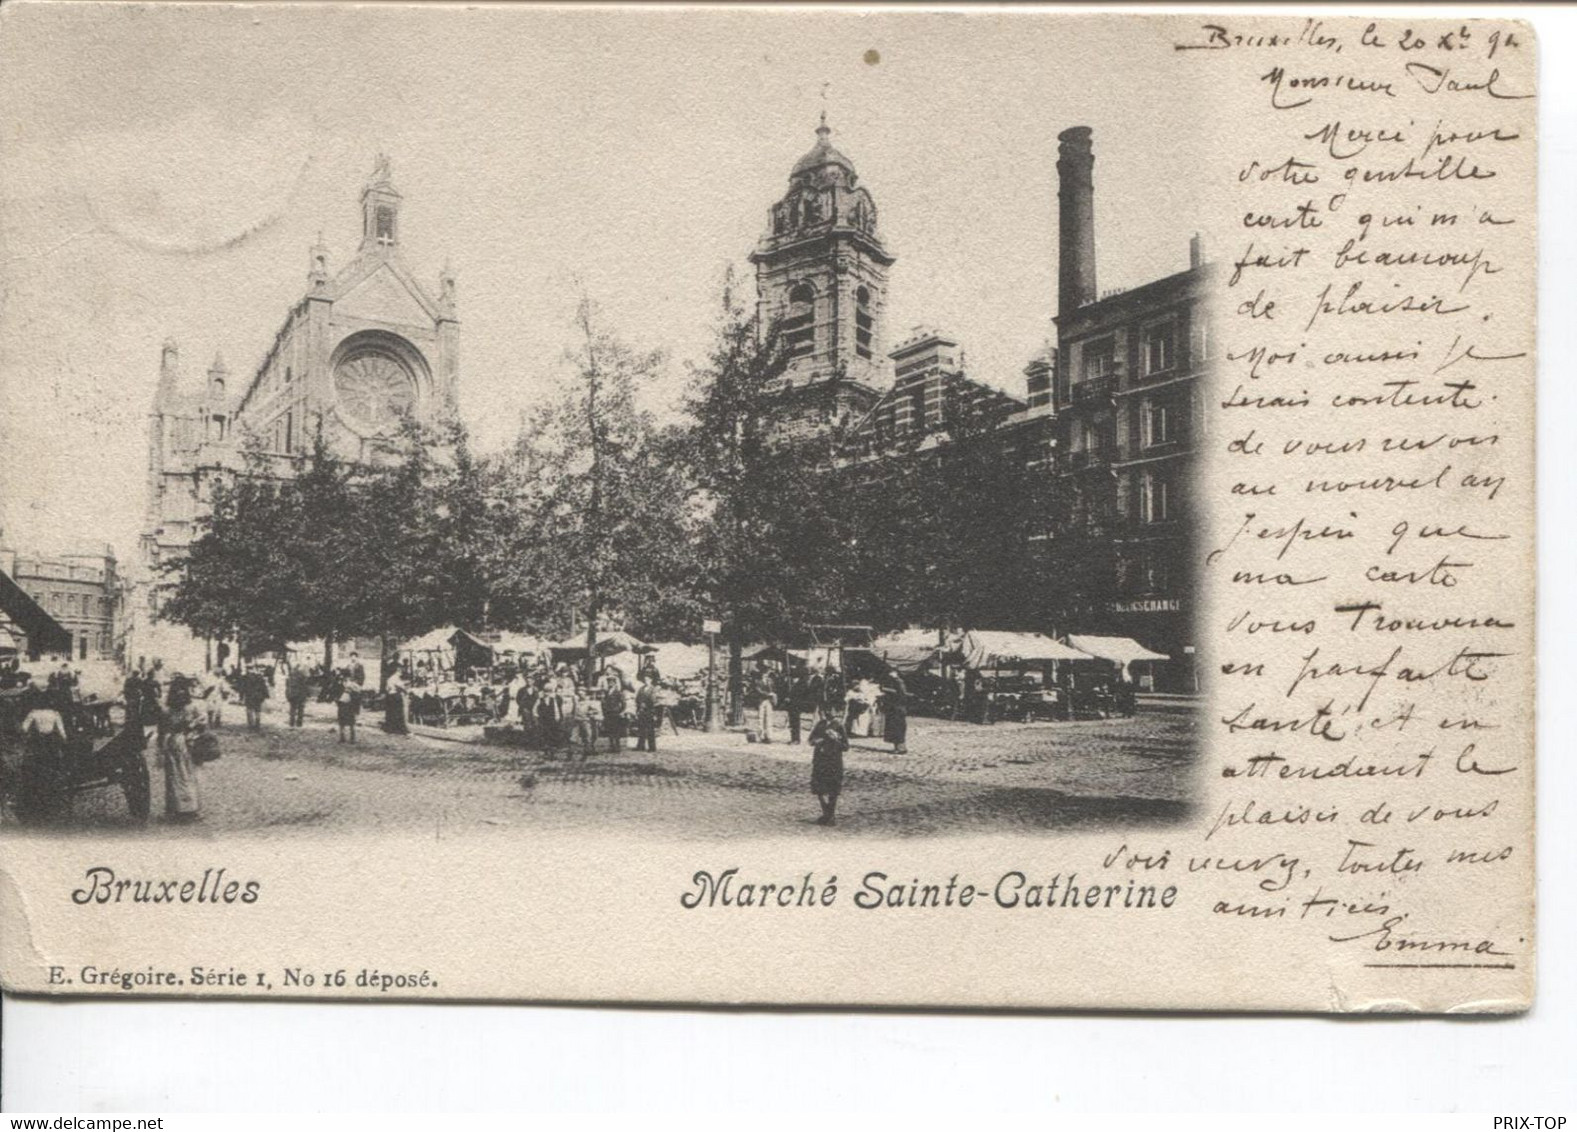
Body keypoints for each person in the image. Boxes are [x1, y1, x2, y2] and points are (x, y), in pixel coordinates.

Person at [160, 676, 203, 821]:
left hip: (171, 742)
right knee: (187, 775)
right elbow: (202, 725)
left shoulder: (166, 709)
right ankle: (190, 808)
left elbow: (162, 729)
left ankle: (175, 808)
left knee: (173, 776)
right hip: (186, 742)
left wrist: (160, 748)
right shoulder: (192, 707)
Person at [808, 705, 849, 826]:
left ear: (836, 711)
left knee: (833, 788)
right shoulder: (820, 724)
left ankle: (830, 814)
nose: (827, 712)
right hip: (820, 760)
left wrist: (836, 738)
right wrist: (817, 741)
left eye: (831, 709)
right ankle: (826, 812)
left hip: (833, 761)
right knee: (818, 788)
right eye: (825, 709)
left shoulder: (839, 726)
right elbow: (811, 740)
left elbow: (846, 746)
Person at [881, 670, 909, 754]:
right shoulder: (893, 682)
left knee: (898, 728)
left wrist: (886, 690)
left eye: (891, 672)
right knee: (893, 728)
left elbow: (902, 693)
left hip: (897, 708)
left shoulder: (899, 682)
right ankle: (897, 747)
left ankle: (901, 748)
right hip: (893, 708)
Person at [634, 675, 660, 753]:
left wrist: (647, 705)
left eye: (648, 679)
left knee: (650, 730)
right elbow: (637, 698)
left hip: (649, 710)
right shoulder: (641, 689)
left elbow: (654, 700)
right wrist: (639, 705)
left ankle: (652, 747)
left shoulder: (653, 689)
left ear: (651, 680)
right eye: (645, 679)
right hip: (641, 711)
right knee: (641, 729)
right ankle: (640, 746)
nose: (646, 681)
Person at [336, 672, 362, 743]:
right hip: (344, 704)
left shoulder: (353, 685)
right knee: (343, 722)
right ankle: (344, 737)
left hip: (348, 704)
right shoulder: (342, 684)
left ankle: (350, 738)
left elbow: (357, 694)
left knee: (349, 722)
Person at [240, 665, 268, 731]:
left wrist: (241, 697)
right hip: (258, 697)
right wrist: (264, 696)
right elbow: (264, 687)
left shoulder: (245, 677)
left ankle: (251, 726)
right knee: (257, 711)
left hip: (249, 696)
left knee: (249, 710)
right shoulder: (259, 677)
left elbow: (242, 688)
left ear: (247, 669)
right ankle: (257, 725)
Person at [383, 668, 409, 735]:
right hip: (395, 696)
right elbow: (401, 687)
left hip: (389, 696)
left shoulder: (389, 678)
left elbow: (386, 688)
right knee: (398, 713)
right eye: (400, 672)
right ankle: (400, 729)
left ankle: (391, 729)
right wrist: (406, 691)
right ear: (397, 672)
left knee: (391, 713)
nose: (401, 674)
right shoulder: (396, 678)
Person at [787, 669, 808, 745]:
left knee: (795, 722)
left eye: (793, 677)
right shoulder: (795, 684)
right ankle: (793, 738)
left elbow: (800, 695)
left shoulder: (801, 684)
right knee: (792, 723)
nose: (792, 679)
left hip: (796, 705)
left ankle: (796, 739)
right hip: (792, 706)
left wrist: (791, 698)